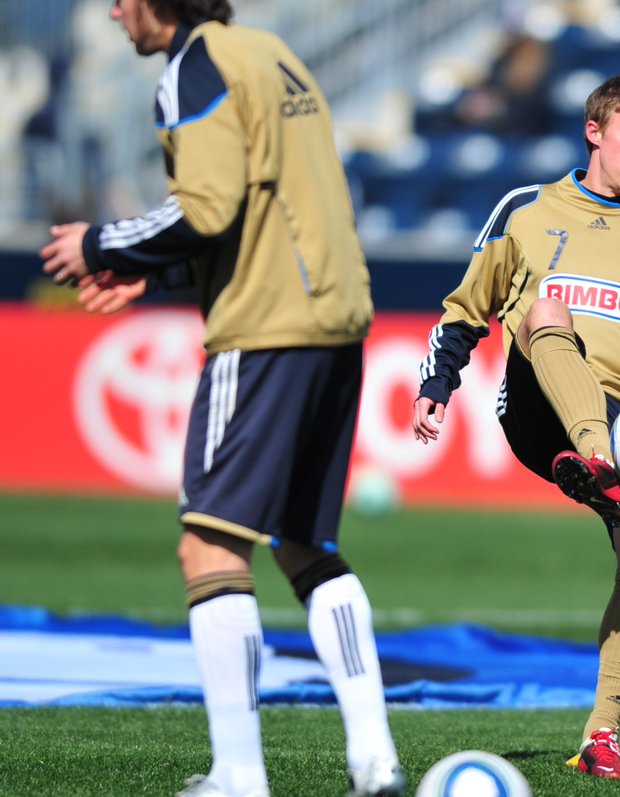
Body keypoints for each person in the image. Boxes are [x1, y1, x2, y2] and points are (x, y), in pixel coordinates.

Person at [39, 1, 402, 795]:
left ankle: (239, 775)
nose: (111, 10)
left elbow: (209, 206)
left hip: (266, 326)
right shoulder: (272, 53)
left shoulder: (192, 68)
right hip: (337, 316)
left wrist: (99, 242)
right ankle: (374, 758)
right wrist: (159, 271)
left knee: (209, 545)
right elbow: (269, 202)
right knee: (305, 543)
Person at [411, 75, 620, 779]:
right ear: (595, 131)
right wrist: (438, 383)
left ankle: (601, 737)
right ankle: (593, 458)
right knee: (545, 311)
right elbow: (466, 307)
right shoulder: (525, 209)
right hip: (540, 411)